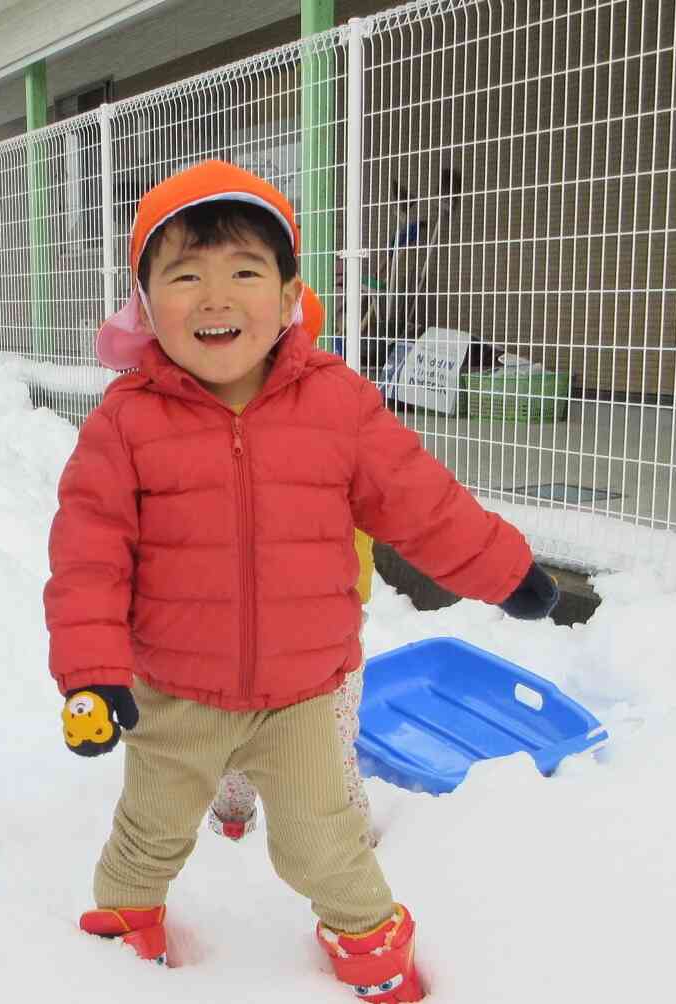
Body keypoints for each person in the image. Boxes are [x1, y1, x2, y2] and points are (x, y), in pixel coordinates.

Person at [44, 160, 558, 1002]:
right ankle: (124, 928)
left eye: (245, 272)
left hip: (302, 694)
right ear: (144, 307)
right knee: (151, 829)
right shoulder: (124, 422)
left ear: (289, 297)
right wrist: (93, 673)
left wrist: (504, 569)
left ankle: (371, 945)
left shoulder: (336, 404)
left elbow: (420, 501)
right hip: (172, 690)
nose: (215, 298)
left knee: (324, 840)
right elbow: (89, 558)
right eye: (185, 276)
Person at [207, 287, 377, 846]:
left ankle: (312, 824)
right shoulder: (340, 409)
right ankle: (334, 828)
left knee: (294, 730)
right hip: (276, 615)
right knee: (317, 735)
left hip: (317, 613)